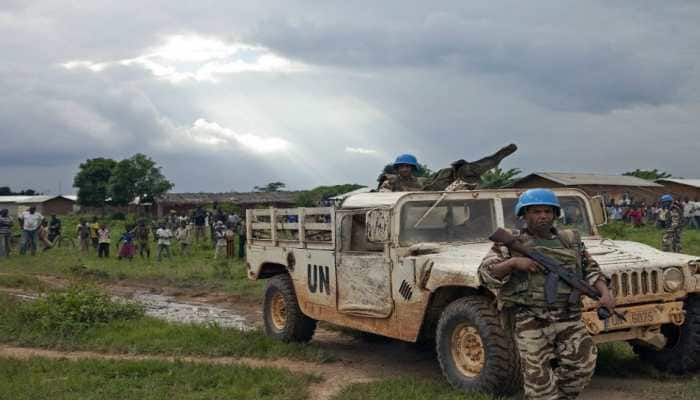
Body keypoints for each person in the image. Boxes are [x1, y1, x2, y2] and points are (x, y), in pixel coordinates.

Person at [478, 188, 615, 400]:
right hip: (529, 318)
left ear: (555, 214)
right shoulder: (510, 243)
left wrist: (605, 294)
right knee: (538, 380)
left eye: (547, 212)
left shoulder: (570, 240)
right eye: (535, 211)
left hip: (568, 316)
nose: (543, 216)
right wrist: (513, 263)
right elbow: (486, 274)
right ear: (524, 214)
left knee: (582, 367)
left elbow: (590, 269)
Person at [378, 143, 518, 192]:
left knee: (451, 173)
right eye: (401, 167)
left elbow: (433, 188)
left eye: (408, 167)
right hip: (402, 218)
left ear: (412, 168)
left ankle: (489, 161)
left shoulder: (420, 181)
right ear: (397, 169)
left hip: (427, 212)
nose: (404, 169)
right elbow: (384, 201)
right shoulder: (389, 182)